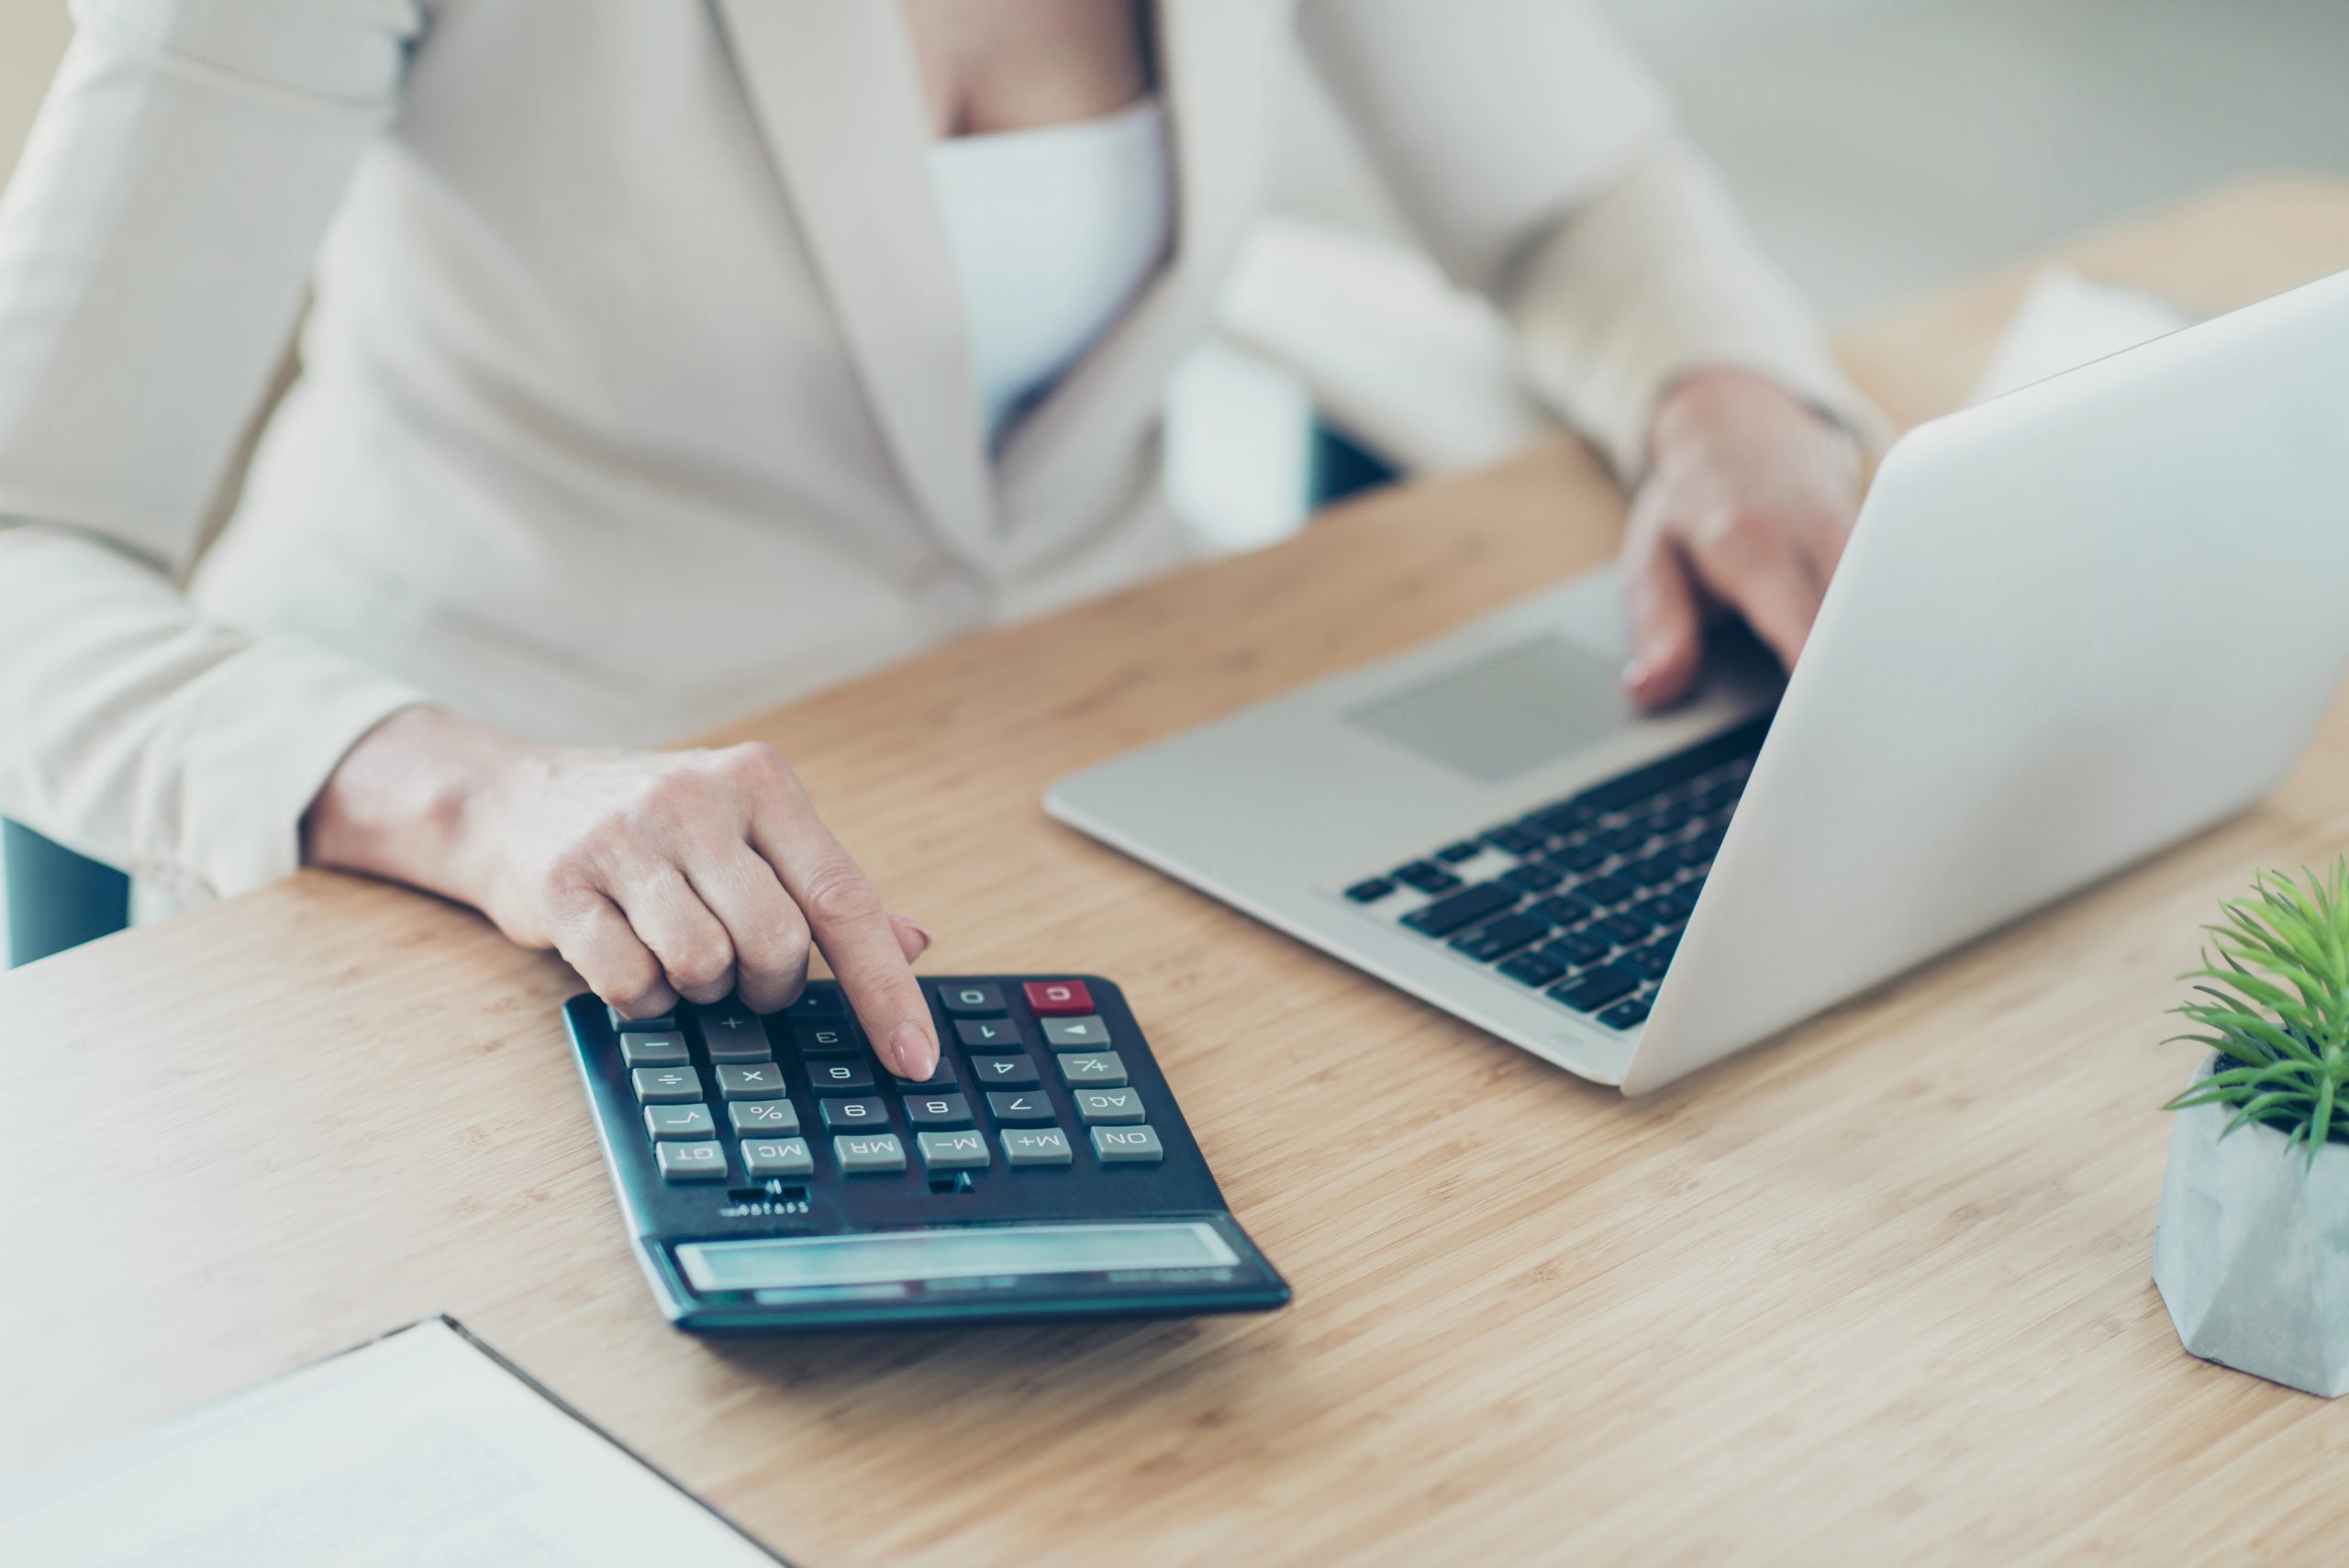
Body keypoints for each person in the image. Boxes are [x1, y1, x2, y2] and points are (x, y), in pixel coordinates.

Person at [0, 0, 1873, 1078]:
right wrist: (470, 794)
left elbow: (1571, 193)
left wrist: (1717, 402)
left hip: (1104, 800)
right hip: (500, 886)